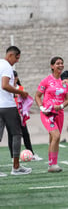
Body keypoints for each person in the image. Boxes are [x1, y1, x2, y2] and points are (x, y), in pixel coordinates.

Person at [35, 56, 68, 172]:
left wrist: (60, 106)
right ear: (52, 66)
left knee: (53, 138)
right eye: (57, 63)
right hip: (47, 113)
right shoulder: (46, 80)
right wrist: (41, 107)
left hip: (59, 113)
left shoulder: (66, 82)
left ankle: (51, 165)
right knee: (56, 136)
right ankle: (53, 164)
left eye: (62, 63)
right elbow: (37, 96)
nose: (60, 65)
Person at [0, 46, 31, 176]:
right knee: (17, 134)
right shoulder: (7, 66)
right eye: (17, 58)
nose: (17, 61)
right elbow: (5, 85)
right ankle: (16, 167)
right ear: (11, 55)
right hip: (7, 106)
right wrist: (21, 92)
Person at [8, 70, 42, 161]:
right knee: (11, 135)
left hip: (20, 115)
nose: (12, 80)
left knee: (25, 134)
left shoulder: (21, 88)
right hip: (10, 114)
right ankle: (13, 156)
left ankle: (31, 153)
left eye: (14, 78)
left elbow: (24, 101)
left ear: (16, 78)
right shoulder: (7, 88)